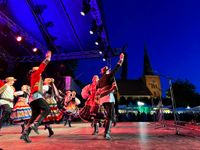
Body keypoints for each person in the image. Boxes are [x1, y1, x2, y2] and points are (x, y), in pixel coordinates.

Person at [20, 51, 52, 143]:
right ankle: (36, 124)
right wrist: (47, 59)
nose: (41, 72)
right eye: (38, 70)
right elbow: (42, 67)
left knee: (34, 116)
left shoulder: (35, 78)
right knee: (47, 109)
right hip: (36, 96)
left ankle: (25, 133)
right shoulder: (36, 74)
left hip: (33, 99)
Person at [96, 53, 124, 140]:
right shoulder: (109, 75)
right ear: (107, 71)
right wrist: (121, 59)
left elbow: (98, 91)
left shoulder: (100, 81)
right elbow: (117, 68)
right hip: (108, 98)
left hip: (102, 100)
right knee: (109, 116)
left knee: (109, 115)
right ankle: (107, 133)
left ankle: (109, 125)